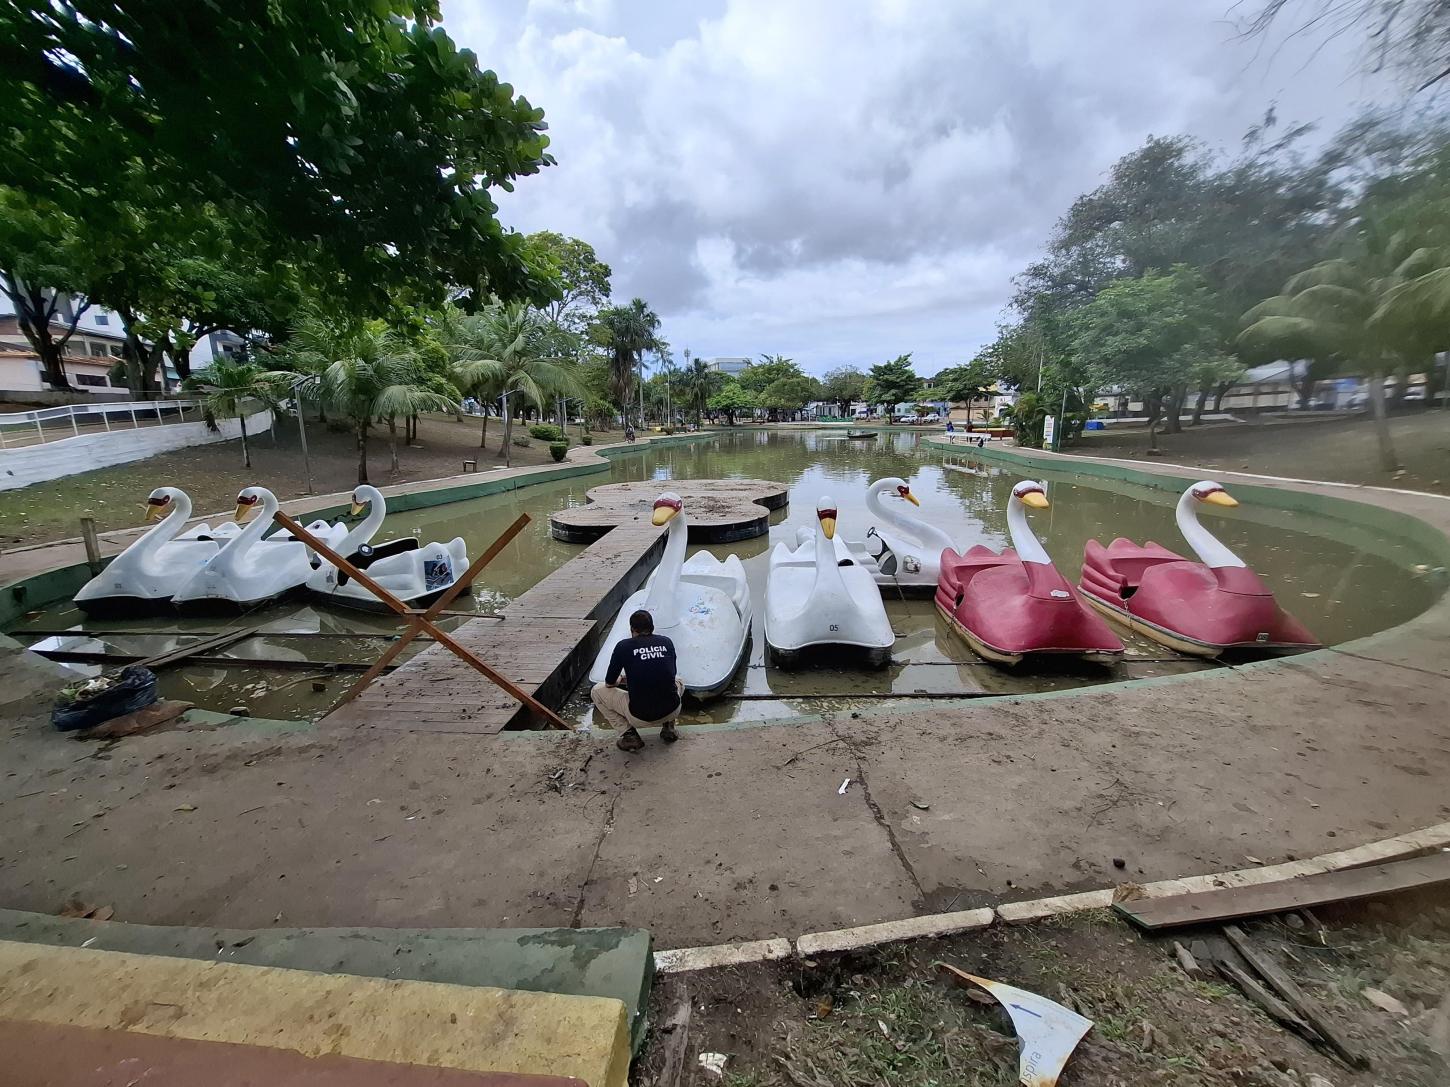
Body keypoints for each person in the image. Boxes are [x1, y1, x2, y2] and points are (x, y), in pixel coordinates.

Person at [591, 609, 685, 751]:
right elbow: (667, 674)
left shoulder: (623, 646)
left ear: (632, 629)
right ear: (652, 627)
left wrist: (620, 680)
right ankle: (669, 728)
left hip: (639, 717)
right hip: (673, 709)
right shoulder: (667, 642)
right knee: (678, 680)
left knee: (597, 691)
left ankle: (630, 736)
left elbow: (609, 683)